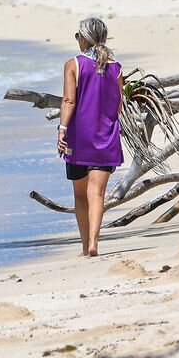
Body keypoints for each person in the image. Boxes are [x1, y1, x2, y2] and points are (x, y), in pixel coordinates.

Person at [54, 17, 123, 256]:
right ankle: (94, 242)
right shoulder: (116, 68)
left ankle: (85, 246)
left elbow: (69, 101)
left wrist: (62, 130)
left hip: (79, 137)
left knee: (80, 194)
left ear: (84, 38)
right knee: (98, 194)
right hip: (106, 138)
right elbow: (118, 106)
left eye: (77, 36)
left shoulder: (73, 64)